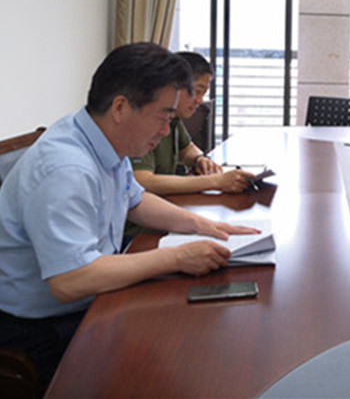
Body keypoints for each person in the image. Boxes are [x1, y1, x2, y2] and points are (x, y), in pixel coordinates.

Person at [0, 43, 259, 392]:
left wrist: (204, 226)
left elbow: (136, 200)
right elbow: (70, 280)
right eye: (163, 117)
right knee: (172, 361)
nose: (167, 131)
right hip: (41, 325)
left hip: (87, 296)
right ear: (121, 107)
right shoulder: (66, 169)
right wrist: (177, 256)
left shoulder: (99, 137)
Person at [132, 51, 255, 195]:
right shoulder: (143, 119)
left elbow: (186, 149)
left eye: (203, 94)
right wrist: (215, 182)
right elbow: (142, 182)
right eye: (197, 91)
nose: (200, 101)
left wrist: (199, 159)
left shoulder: (173, 118)